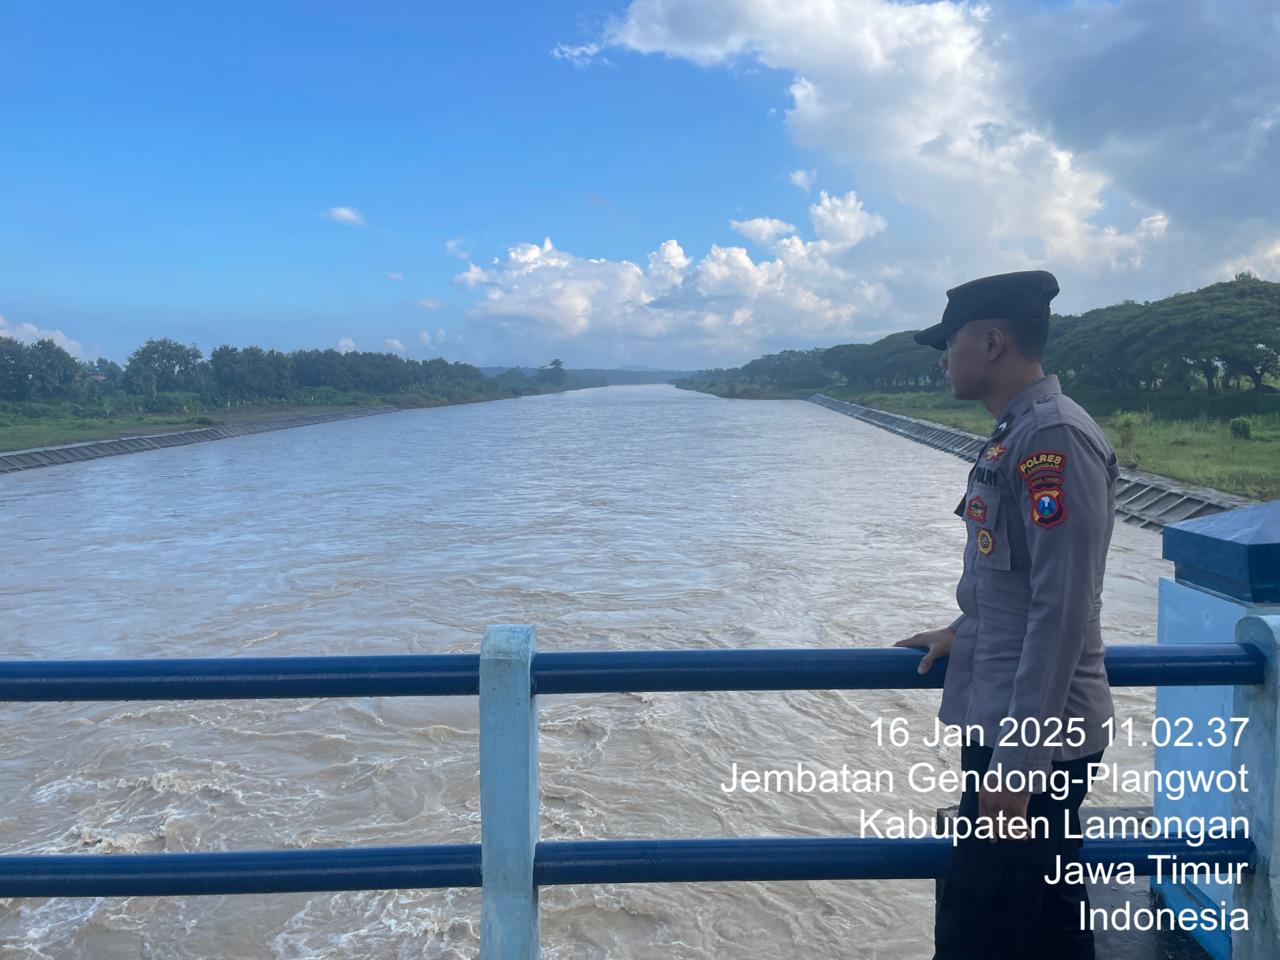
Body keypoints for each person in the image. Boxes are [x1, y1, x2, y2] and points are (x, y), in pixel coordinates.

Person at [895, 270, 1119, 960]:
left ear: (991, 343)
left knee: (980, 931)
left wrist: (1018, 766)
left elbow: (1062, 609)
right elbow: (1016, 582)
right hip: (1014, 725)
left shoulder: (1054, 439)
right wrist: (960, 629)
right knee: (1043, 924)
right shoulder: (1015, 433)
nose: (944, 359)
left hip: (1033, 742)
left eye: (950, 343)